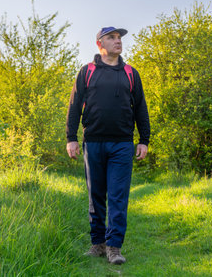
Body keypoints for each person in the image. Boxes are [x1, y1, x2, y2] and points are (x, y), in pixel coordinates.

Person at [66, 27, 150, 265]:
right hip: (93, 142)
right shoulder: (87, 72)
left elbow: (141, 108)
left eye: (119, 38)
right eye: (112, 38)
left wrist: (144, 140)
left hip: (123, 144)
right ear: (99, 43)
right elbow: (74, 106)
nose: (117, 41)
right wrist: (71, 137)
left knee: (118, 196)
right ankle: (98, 244)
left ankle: (114, 247)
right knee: (96, 196)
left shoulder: (131, 73)